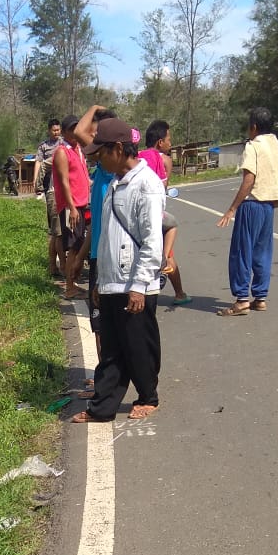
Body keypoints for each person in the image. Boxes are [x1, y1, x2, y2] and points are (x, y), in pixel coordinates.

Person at [71, 118, 165, 424]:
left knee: (138, 346)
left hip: (134, 282)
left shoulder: (146, 184)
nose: (98, 158)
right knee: (111, 350)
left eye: (103, 152)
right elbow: (108, 235)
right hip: (113, 280)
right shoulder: (113, 182)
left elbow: (152, 240)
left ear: (120, 149)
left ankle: (148, 396)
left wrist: (139, 285)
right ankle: (103, 407)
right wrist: (100, 281)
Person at [216, 107, 278, 316]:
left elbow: (249, 178)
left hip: (252, 204)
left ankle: (241, 300)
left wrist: (232, 208)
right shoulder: (276, 145)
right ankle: (260, 297)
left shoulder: (253, 146)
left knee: (241, 252)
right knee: (262, 252)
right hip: (268, 205)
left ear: (254, 127)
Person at [73, 105, 118, 394]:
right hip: (97, 254)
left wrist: (95, 109)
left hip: (109, 256)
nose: (92, 137)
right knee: (99, 322)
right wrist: (81, 255)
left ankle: (107, 379)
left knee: (105, 322)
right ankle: (105, 374)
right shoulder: (101, 168)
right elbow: (97, 223)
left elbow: (79, 131)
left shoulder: (107, 167)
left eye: (99, 134)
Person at [138, 120, 191, 305]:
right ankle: (179, 293)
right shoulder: (165, 160)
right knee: (169, 246)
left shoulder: (137, 156)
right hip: (155, 213)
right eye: (168, 139)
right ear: (160, 142)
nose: (170, 143)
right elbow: (163, 186)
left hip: (136, 214)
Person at [52, 115, 91, 299]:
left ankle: (73, 283)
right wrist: (72, 207)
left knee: (78, 244)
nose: (75, 133)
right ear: (65, 132)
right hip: (71, 206)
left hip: (82, 204)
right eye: (72, 129)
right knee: (73, 247)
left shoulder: (78, 150)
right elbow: (64, 181)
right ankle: (69, 287)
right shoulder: (62, 152)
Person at [33, 119, 64, 277]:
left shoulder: (64, 144)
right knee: (55, 229)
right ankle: (55, 265)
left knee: (59, 228)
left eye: (58, 130)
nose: (56, 133)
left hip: (63, 186)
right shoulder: (44, 146)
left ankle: (62, 264)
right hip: (50, 186)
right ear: (49, 130)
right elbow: (39, 163)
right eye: (54, 130)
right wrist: (36, 181)